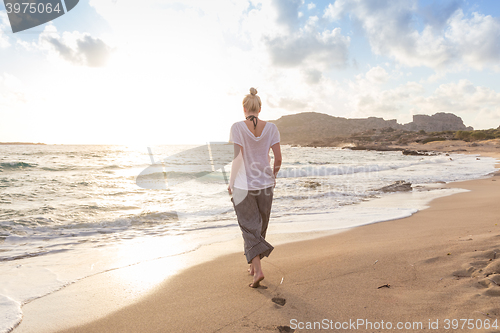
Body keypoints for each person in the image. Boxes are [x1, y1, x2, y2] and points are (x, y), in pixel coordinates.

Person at [228, 87, 282, 288]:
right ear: (259, 108)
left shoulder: (237, 127)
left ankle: (257, 270)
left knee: (248, 226)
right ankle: (253, 266)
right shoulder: (272, 128)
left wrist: (231, 182)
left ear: (244, 108)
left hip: (244, 185)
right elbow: (278, 158)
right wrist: (273, 176)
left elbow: (237, 158)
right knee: (260, 225)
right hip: (265, 184)